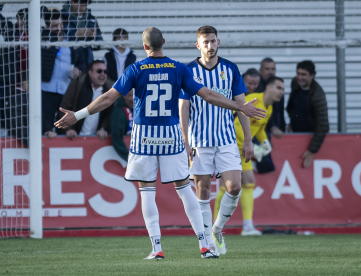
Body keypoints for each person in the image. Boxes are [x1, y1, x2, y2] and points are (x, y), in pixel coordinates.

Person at [55, 27, 266, 260]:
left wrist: (78, 115)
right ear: (163, 42)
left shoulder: (136, 68)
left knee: (147, 191)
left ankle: (156, 248)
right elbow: (208, 95)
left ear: (145, 47)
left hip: (144, 137)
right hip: (172, 136)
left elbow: (108, 98)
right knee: (185, 189)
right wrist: (240, 106)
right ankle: (205, 245)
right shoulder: (179, 69)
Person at [179, 25, 253, 255]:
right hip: (199, 141)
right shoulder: (188, 70)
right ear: (197, 45)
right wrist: (185, 139)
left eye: (213, 41)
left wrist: (248, 139)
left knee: (234, 187)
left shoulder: (230, 69)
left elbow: (242, 107)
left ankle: (217, 229)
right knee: (203, 193)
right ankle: (208, 246)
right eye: (205, 42)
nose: (210, 46)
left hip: (226, 140)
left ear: (218, 42)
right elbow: (184, 106)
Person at [213, 76, 285, 236]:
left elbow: (258, 129)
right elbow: (233, 122)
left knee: (245, 182)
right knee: (229, 186)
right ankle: (222, 225)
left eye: (283, 89)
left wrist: (265, 142)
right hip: (231, 146)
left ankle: (246, 226)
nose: (282, 92)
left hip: (241, 148)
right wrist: (248, 144)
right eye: (279, 88)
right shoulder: (253, 101)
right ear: (268, 88)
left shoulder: (270, 108)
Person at [41, 9, 91, 139]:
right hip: (47, 88)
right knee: (45, 120)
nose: (59, 28)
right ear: (47, 27)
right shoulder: (43, 39)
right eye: (54, 26)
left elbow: (82, 61)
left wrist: (78, 70)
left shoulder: (72, 41)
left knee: (64, 121)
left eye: (60, 24)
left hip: (66, 88)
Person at [0, 4, 28, 129]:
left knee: (18, 108)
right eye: (20, 18)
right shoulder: (10, 29)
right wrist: (1, 2)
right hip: (4, 77)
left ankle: (17, 131)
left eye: (26, 19)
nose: (22, 22)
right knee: (1, 103)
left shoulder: (36, 35)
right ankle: (3, 130)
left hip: (23, 80)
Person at [287, 60, 329, 168]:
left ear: (312, 76)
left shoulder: (318, 95)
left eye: (303, 75)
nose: (299, 77)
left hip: (309, 137)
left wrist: (312, 150)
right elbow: (294, 105)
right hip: (295, 134)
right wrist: (291, 122)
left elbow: (323, 125)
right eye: (298, 73)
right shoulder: (295, 83)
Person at [58, 60, 113, 141]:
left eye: (105, 71)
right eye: (99, 71)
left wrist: (103, 128)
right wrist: (68, 129)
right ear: (90, 73)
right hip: (74, 137)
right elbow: (64, 107)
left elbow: (110, 113)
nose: (103, 74)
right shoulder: (77, 83)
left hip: (96, 140)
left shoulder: (110, 89)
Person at [257, 57, 285, 139]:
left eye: (273, 69)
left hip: (278, 132)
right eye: (267, 69)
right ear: (260, 70)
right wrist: (272, 126)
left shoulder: (279, 86)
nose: (270, 72)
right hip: (260, 132)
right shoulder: (256, 87)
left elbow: (280, 111)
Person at [110, 90, 133, 162]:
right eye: (130, 95)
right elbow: (117, 138)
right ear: (123, 96)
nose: (133, 98)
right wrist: (129, 158)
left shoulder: (143, 109)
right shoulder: (119, 112)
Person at [6, 74, 29, 147]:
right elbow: (17, 123)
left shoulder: (26, 97)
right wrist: (31, 141)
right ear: (25, 83)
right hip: (20, 143)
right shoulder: (17, 98)